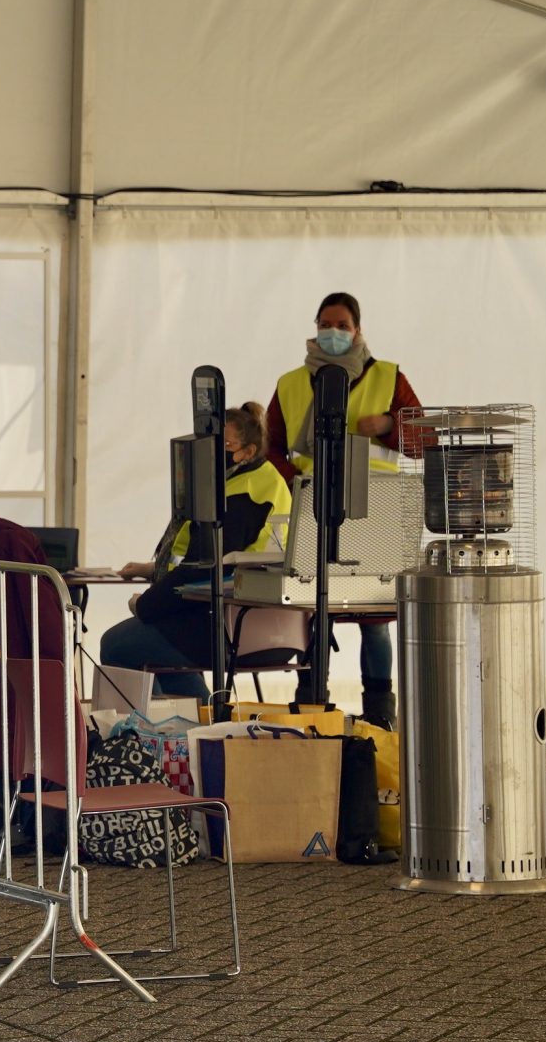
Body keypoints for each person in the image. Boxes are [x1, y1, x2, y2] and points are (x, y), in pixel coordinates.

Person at [266, 291, 422, 727]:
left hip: (376, 512)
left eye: (342, 326)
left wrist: (392, 426)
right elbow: (271, 445)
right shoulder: (291, 382)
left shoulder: (389, 377)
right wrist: (293, 479)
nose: (332, 333)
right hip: (315, 505)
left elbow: (424, 439)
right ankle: (312, 705)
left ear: (358, 330)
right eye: (325, 325)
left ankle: (379, 714)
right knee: (315, 610)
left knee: (374, 618)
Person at [98, 403, 293, 700]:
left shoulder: (244, 494)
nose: (213, 451)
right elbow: (219, 554)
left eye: (224, 444)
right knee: (161, 644)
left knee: (116, 644)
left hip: (234, 622)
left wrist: (147, 605)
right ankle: (192, 721)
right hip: (263, 620)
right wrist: (153, 570)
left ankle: (154, 730)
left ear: (248, 452)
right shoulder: (260, 479)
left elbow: (204, 564)